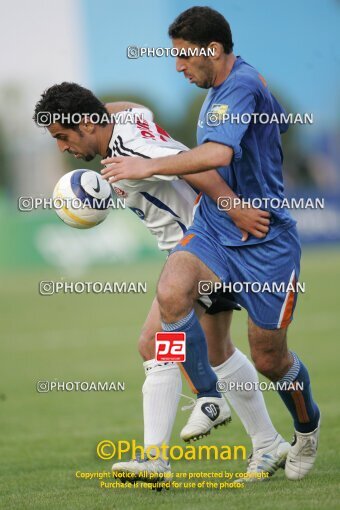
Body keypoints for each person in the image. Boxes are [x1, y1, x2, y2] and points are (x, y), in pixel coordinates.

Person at [100, 7, 320, 481]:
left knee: (268, 358)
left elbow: (218, 154)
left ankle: (305, 428)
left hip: (263, 237)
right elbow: (274, 121)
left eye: (183, 57)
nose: (178, 67)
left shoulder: (238, 86)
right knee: (172, 289)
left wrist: (146, 166)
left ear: (213, 51)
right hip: (216, 231)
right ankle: (208, 399)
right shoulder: (234, 84)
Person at [34, 82, 290, 482]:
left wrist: (234, 208)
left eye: (62, 136)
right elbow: (137, 106)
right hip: (197, 250)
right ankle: (267, 442)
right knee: (219, 351)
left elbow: (196, 163)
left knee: (155, 344)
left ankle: (159, 456)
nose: (62, 147)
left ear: (86, 124)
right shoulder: (124, 121)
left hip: (198, 252)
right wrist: (90, 109)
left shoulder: (129, 148)